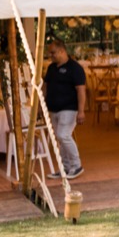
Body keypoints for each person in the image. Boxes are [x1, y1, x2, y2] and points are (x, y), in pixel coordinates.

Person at [43, 38, 87, 179]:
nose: (51, 55)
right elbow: (45, 86)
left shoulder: (75, 68)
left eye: (53, 52)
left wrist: (81, 111)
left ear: (62, 51)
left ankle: (76, 165)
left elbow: (81, 90)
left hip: (69, 108)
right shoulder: (51, 68)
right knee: (60, 138)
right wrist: (41, 105)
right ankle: (65, 168)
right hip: (53, 109)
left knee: (64, 135)